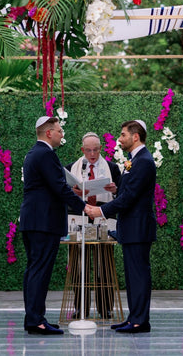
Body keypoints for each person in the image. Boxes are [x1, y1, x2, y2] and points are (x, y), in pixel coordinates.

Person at [85, 120, 156, 334]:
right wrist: (117, 188)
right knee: (133, 277)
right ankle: (133, 318)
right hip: (131, 228)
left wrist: (101, 211)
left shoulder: (143, 161)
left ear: (135, 137)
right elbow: (129, 192)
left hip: (138, 228)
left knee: (138, 276)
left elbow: (131, 198)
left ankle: (140, 321)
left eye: (123, 134)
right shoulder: (134, 160)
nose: (120, 138)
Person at [19, 116, 86, 335]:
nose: (62, 134)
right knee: (39, 271)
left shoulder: (34, 153)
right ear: (48, 133)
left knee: (34, 270)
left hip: (34, 220)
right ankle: (36, 320)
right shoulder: (46, 155)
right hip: (43, 222)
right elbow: (59, 187)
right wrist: (83, 207)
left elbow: (49, 186)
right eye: (59, 131)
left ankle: (34, 318)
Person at [65, 132, 121, 319]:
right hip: (79, 217)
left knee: (104, 263)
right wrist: (72, 193)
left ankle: (105, 308)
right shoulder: (71, 168)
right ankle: (80, 308)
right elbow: (62, 196)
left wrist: (115, 190)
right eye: (88, 150)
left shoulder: (112, 168)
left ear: (101, 148)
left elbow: (123, 197)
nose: (92, 154)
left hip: (103, 217)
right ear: (82, 150)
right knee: (79, 265)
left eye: (96, 150)